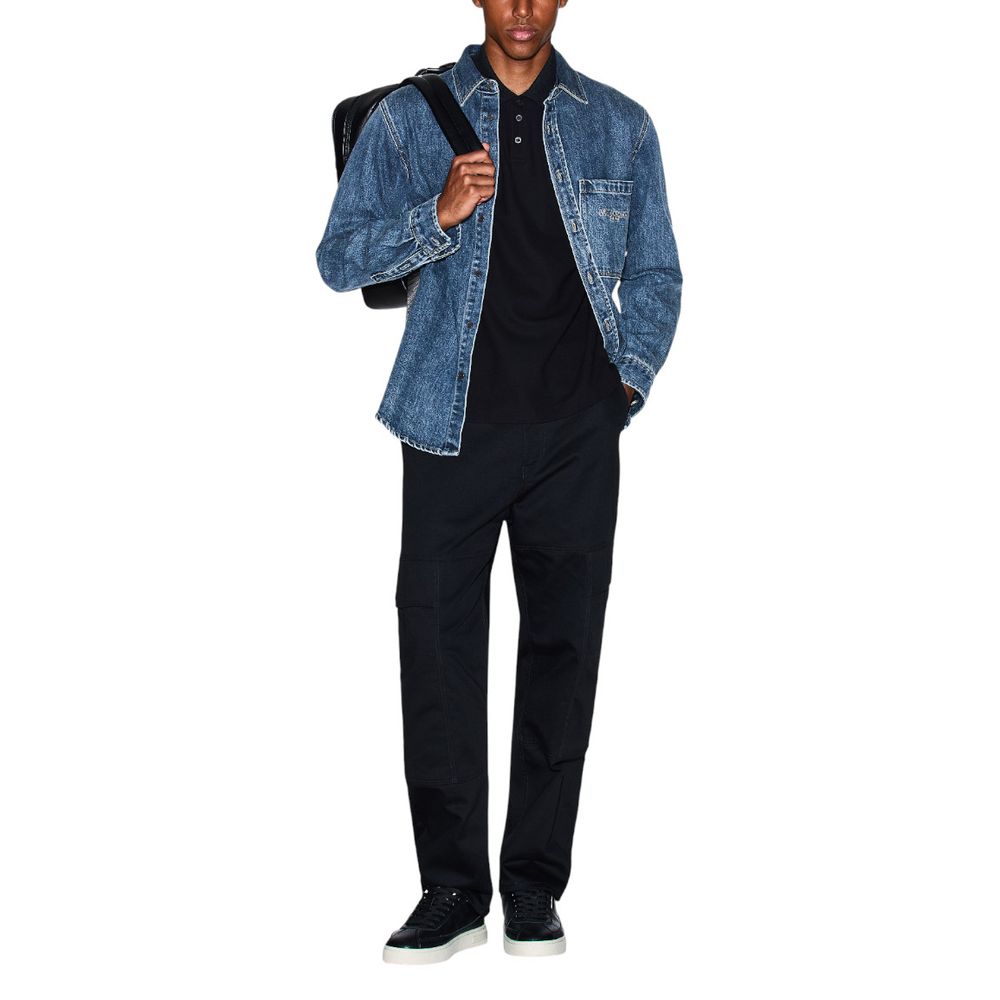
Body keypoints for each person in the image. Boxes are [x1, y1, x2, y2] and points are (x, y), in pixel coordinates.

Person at [315, 0, 682, 964]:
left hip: (576, 437)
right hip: (450, 429)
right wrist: (435, 215)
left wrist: (624, 386)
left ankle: (532, 887)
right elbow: (337, 257)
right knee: (437, 659)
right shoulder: (411, 118)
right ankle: (451, 890)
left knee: (563, 656)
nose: (522, 9)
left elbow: (656, 273)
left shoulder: (619, 124)